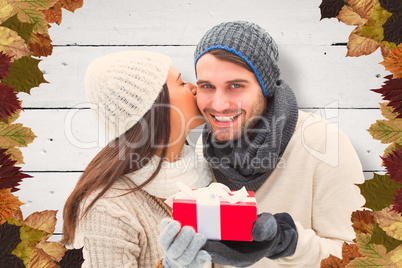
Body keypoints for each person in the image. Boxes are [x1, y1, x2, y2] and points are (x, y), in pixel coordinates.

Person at [192, 21, 365, 267]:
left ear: (265, 87)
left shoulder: (322, 142)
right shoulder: (205, 147)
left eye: (236, 86)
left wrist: (289, 242)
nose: (218, 105)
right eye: (207, 86)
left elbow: (358, 257)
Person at [61, 51, 213, 267]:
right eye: (181, 84)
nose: (195, 88)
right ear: (157, 109)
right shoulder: (110, 209)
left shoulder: (206, 174)